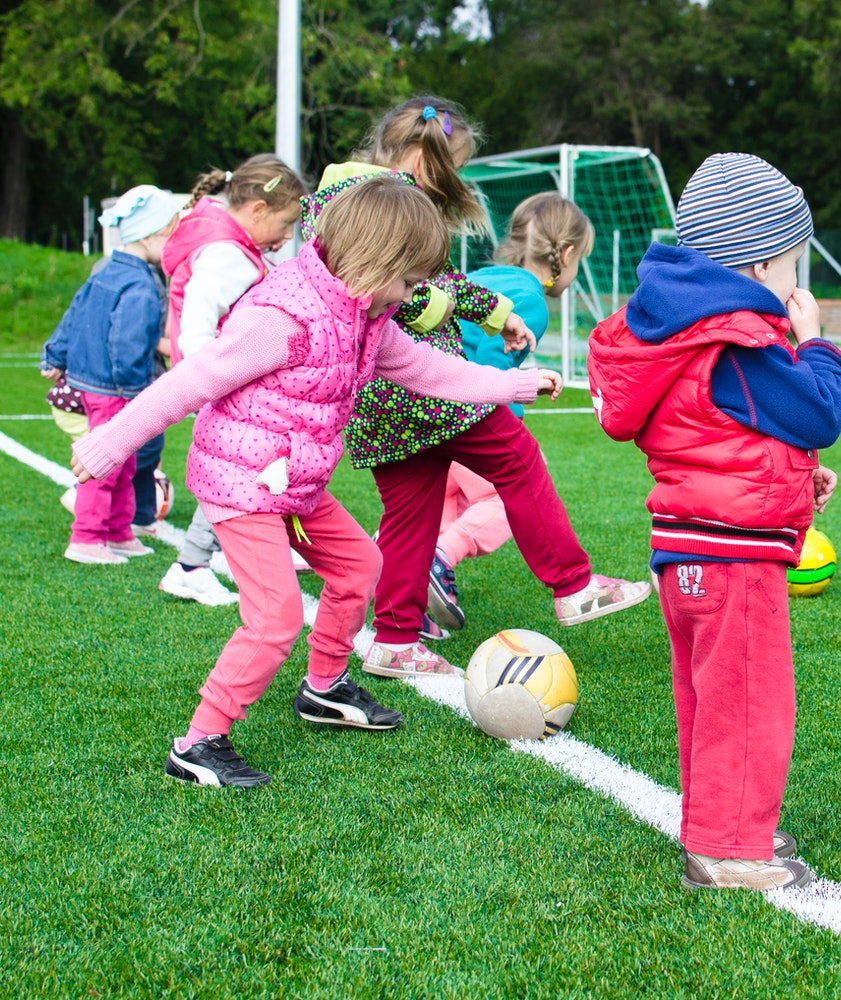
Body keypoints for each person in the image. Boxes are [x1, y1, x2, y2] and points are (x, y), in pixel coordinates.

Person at [70, 175, 563, 788]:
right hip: (243, 484)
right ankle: (198, 742)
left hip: (295, 485)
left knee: (361, 566)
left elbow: (426, 369)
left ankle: (324, 688)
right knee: (275, 617)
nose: (415, 296)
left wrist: (513, 384)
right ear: (375, 261)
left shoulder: (366, 314)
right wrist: (109, 442)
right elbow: (191, 381)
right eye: (411, 282)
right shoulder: (283, 317)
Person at [303, 96, 650, 679]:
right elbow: (399, 291)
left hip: (379, 398)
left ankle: (393, 639)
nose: (452, 182)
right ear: (420, 156)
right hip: (422, 385)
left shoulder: (345, 192)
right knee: (517, 458)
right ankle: (573, 585)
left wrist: (497, 315)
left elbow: (436, 278)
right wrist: (450, 315)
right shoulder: (377, 200)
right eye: (451, 168)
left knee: (412, 514)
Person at [588, 152, 841, 891]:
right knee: (748, 702)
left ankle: (720, 821)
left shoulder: (683, 331)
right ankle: (729, 849)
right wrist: (816, 343)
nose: (797, 282)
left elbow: (719, 433)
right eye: (794, 263)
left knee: (710, 699)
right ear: (761, 262)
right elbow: (817, 412)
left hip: (690, 549)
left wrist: (797, 478)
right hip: (733, 559)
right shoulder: (737, 338)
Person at [426, 191, 596, 637]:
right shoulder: (531, 300)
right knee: (505, 497)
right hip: (461, 413)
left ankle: (412, 595)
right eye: (581, 261)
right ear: (566, 254)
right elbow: (489, 364)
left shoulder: (486, 276)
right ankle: (440, 557)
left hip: (421, 408)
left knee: (439, 502)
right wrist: (507, 431)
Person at [157, 153, 309, 607]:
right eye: (285, 225)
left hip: (223, 381)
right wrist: (215, 380)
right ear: (258, 210)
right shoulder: (228, 255)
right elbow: (198, 327)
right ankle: (191, 564)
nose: (286, 239)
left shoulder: (228, 241)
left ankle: (203, 559)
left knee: (247, 469)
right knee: (241, 472)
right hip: (224, 384)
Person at [40, 184, 179, 565]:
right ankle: (86, 537)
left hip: (97, 382)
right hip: (115, 388)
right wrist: (137, 393)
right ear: (150, 236)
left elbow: (74, 312)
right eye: (171, 234)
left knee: (125, 461)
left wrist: (55, 353)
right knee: (105, 462)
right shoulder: (140, 284)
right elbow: (127, 342)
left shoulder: (106, 270)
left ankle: (118, 531)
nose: (174, 244)